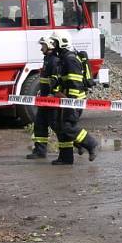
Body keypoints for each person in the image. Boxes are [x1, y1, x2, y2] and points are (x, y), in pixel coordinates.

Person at [50, 30, 99, 165]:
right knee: (62, 127)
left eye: (55, 42)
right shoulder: (64, 59)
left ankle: (91, 143)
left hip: (73, 99)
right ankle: (66, 158)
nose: (53, 45)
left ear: (62, 43)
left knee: (68, 126)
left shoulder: (70, 59)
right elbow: (63, 80)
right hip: (66, 99)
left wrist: (70, 100)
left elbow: (75, 82)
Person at [26, 35, 60, 159]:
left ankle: (82, 144)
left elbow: (56, 80)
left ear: (50, 46)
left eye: (43, 46)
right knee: (39, 123)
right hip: (44, 98)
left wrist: (52, 94)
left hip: (51, 99)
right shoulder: (47, 59)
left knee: (56, 125)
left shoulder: (54, 61)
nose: (41, 49)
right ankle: (40, 150)